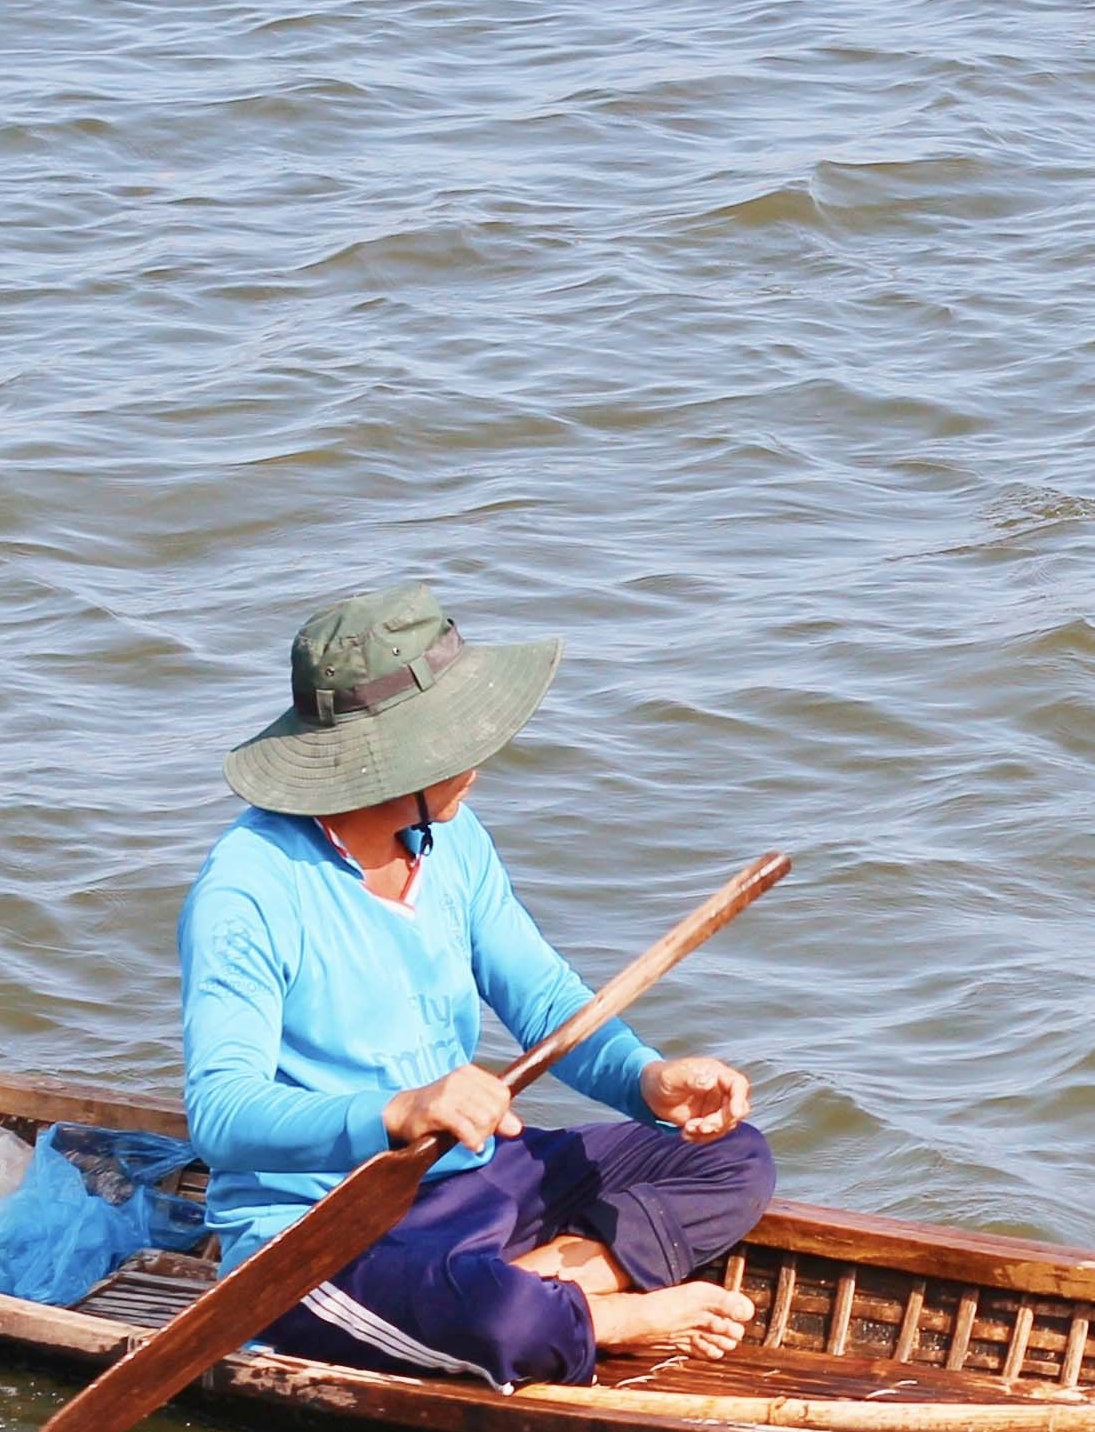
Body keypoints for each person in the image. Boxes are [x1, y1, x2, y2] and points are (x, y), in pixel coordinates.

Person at [179, 580, 773, 1387]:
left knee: (734, 1158)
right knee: (496, 1317)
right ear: (390, 761)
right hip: (322, 1235)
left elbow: (546, 1004)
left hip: (477, 1178)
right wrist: (400, 1110)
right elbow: (222, 1114)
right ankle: (595, 1316)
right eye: (456, 739)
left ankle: (555, 1282)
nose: (480, 761)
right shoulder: (248, 887)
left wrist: (647, 1080)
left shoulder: (451, 842)